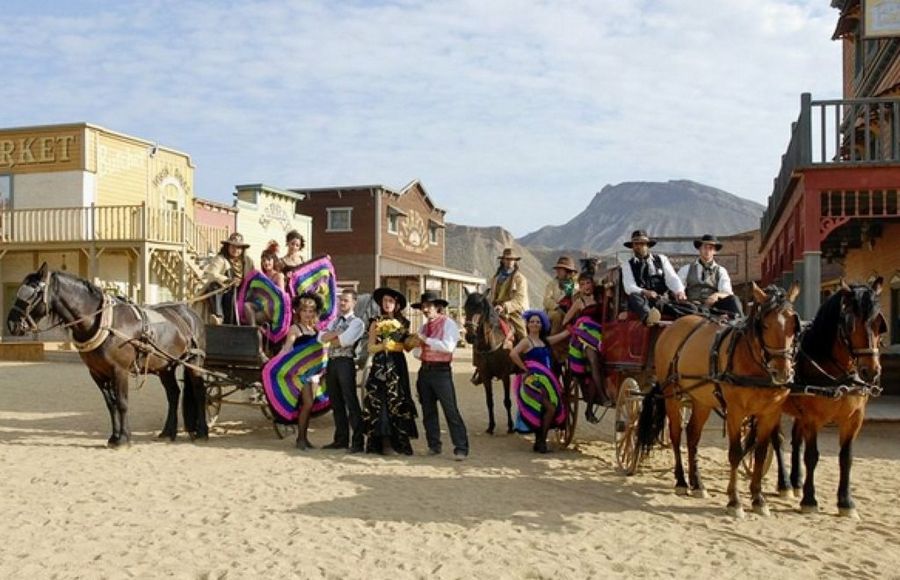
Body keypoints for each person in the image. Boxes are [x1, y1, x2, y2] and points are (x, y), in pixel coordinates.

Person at [410, 290, 470, 461]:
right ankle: (434, 445)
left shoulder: (448, 324)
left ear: (438, 307)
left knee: (450, 410)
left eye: (428, 306)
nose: (425, 309)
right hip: (425, 370)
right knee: (428, 410)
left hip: (441, 372)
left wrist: (425, 341)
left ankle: (461, 447)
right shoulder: (423, 327)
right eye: (423, 307)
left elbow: (448, 347)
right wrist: (416, 345)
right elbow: (415, 353)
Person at [361, 287, 419, 455]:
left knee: (399, 400)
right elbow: (370, 347)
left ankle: (399, 442)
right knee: (382, 402)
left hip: (398, 365)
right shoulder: (375, 321)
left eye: (391, 301)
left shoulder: (404, 323)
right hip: (381, 365)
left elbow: (406, 347)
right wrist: (382, 346)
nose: (387, 304)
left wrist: (411, 342)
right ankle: (384, 443)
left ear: (397, 305)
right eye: (385, 301)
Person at [509, 310, 570, 453]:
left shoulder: (545, 341)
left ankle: (539, 441)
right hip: (533, 381)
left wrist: (572, 330)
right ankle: (541, 441)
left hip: (547, 380)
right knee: (549, 407)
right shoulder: (526, 341)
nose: (535, 324)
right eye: (532, 322)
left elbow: (562, 336)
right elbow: (513, 354)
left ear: (542, 325)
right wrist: (524, 368)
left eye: (538, 322)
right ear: (528, 325)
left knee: (546, 408)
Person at [319, 288, 366, 453]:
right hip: (332, 363)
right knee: (336, 402)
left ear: (354, 302)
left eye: (346, 300)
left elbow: (343, 341)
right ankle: (341, 439)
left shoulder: (357, 322)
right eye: (341, 300)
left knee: (351, 401)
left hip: (346, 363)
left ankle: (358, 442)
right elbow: (320, 338)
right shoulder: (335, 321)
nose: (342, 303)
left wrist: (332, 337)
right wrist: (334, 335)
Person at [472, 247, 529, 385]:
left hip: (514, 311)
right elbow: (492, 297)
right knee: (478, 332)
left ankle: (526, 363)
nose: (509, 262)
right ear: (502, 260)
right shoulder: (496, 278)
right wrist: (491, 308)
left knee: (523, 334)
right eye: (507, 259)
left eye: (512, 260)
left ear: (515, 262)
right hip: (495, 310)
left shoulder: (520, 279)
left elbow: (519, 299)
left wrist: (504, 306)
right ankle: (480, 367)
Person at [279, 292, 326, 451]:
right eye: (305, 311)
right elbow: (287, 349)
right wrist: (277, 362)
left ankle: (304, 438)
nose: (308, 314)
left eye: (311, 311)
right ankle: (300, 439)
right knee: (307, 404)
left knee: (309, 405)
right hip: (300, 375)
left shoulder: (315, 330)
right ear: (299, 312)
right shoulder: (295, 329)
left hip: (314, 373)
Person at [561, 272, 608, 423]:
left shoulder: (600, 298)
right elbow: (565, 321)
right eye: (582, 285)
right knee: (593, 360)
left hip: (600, 335)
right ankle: (601, 395)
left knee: (598, 366)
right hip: (584, 338)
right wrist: (576, 330)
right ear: (579, 288)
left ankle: (589, 410)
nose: (585, 287)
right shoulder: (579, 302)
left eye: (588, 283)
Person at [620, 230, 686, 325]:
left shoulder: (661, 259)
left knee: (689, 308)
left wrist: (679, 291)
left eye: (642, 244)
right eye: (636, 244)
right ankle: (649, 317)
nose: (639, 247)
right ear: (632, 247)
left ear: (647, 245)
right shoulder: (627, 265)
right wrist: (645, 292)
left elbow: (672, 278)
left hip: (661, 299)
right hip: (643, 301)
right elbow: (629, 286)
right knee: (634, 296)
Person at [677, 234, 744, 318]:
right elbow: (678, 287)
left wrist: (716, 295)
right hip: (693, 306)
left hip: (714, 307)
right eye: (705, 247)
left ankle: (743, 326)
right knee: (688, 307)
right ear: (699, 249)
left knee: (733, 299)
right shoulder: (686, 269)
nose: (707, 251)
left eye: (711, 248)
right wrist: (680, 294)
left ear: (715, 251)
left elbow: (727, 292)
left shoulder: (721, 270)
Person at [203, 232, 255, 325]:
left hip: (244, 293)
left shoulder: (248, 261)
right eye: (233, 246)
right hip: (226, 293)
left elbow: (254, 276)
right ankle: (219, 316)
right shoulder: (220, 259)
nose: (236, 250)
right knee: (214, 286)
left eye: (239, 247)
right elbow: (211, 274)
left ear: (242, 249)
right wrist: (228, 280)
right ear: (228, 247)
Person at [243, 245, 287, 328]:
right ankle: (254, 329)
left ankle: (257, 331)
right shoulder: (261, 276)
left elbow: (281, 294)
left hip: (273, 306)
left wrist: (269, 288)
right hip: (261, 303)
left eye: (269, 260)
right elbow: (258, 293)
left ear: (274, 261)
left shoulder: (279, 275)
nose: (266, 263)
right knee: (247, 305)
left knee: (256, 316)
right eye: (263, 261)